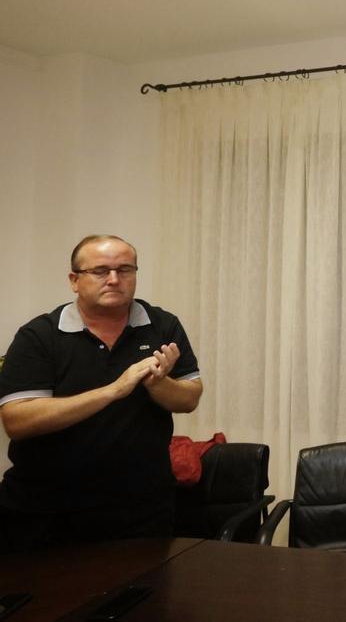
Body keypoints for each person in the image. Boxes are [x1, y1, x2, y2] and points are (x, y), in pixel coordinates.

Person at [0, 235, 203, 552]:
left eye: (125, 270)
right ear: (74, 280)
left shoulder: (163, 325)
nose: (114, 279)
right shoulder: (39, 335)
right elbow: (18, 420)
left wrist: (157, 383)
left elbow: (189, 399)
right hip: (46, 510)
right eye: (100, 271)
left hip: (141, 510)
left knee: (145, 585)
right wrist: (113, 391)